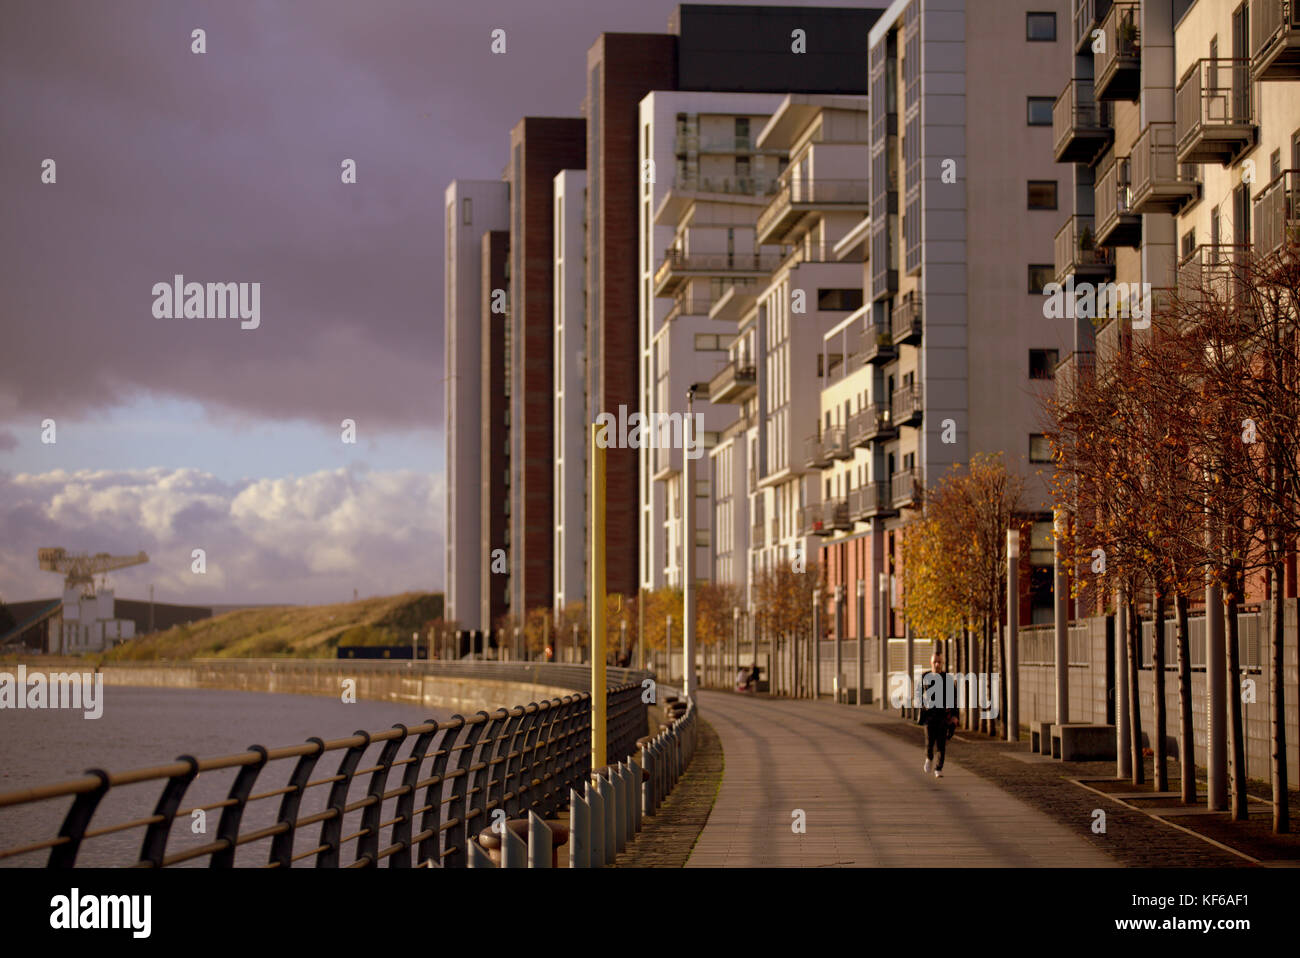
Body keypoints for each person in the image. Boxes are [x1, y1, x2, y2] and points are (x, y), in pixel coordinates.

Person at [917, 650, 956, 779]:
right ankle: (929, 758)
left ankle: (938, 768)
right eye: (935, 662)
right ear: (931, 662)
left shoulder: (948, 679)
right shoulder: (924, 677)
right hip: (929, 716)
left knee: (941, 745)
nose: (937, 664)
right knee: (929, 742)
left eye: (939, 662)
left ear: (943, 663)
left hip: (942, 717)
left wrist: (955, 716)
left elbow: (954, 699)